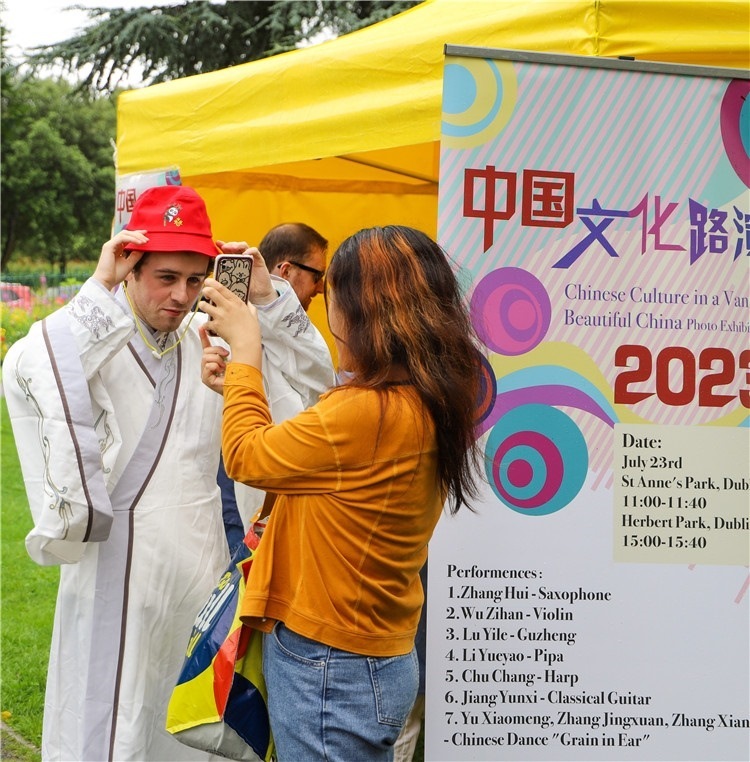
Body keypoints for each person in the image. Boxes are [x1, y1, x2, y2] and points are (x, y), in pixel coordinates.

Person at [2, 185, 333, 762]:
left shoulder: (211, 338)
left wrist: (268, 301)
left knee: (183, 719)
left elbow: (314, 390)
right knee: (108, 713)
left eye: (194, 278)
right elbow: (30, 368)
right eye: (165, 277)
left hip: (198, 554)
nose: (181, 295)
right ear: (130, 267)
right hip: (114, 560)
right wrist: (98, 289)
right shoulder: (94, 334)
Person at [199, 225, 482, 761]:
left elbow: (246, 457)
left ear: (363, 310)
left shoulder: (365, 411)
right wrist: (240, 382)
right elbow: (309, 448)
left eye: (334, 291)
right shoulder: (423, 396)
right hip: (369, 651)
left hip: (331, 661)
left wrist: (247, 349)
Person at [219, 220, 332, 552]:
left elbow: (320, 381)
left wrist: (271, 298)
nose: (320, 289)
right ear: (286, 269)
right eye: (317, 276)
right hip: (233, 480)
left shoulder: (289, 328)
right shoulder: (223, 325)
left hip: (279, 482)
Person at [259, 221, 328, 311]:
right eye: (317, 276)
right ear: (287, 272)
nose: (321, 289)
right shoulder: (247, 318)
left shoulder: (249, 313)